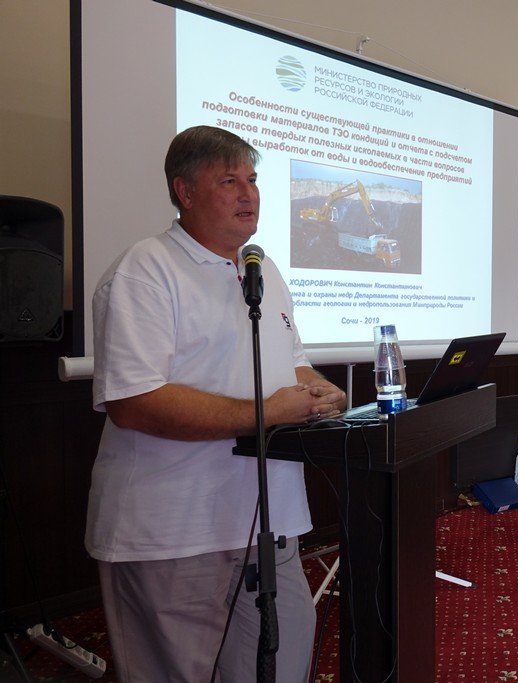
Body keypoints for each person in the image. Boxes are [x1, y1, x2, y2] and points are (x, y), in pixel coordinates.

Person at [86, 126, 345, 682]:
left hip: (269, 520)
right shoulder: (145, 269)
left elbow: (293, 360)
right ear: (184, 191)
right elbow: (134, 401)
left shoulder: (262, 268)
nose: (248, 194)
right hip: (173, 530)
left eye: (252, 179)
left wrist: (319, 389)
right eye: (229, 181)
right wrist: (268, 413)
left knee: (283, 661)